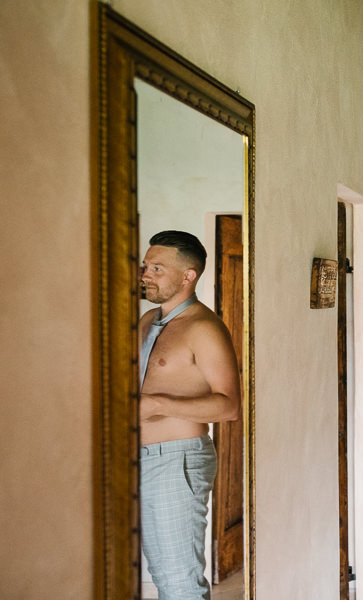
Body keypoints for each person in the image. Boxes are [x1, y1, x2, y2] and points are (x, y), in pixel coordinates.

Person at [139, 230, 241, 600]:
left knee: (178, 579)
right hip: (136, 458)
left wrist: (158, 404)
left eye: (157, 268)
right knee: (154, 570)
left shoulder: (204, 328)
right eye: (146, 266)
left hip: (176, 459)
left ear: (188, 276)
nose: (146, 274)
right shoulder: (148, 321)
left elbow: (229, 405)